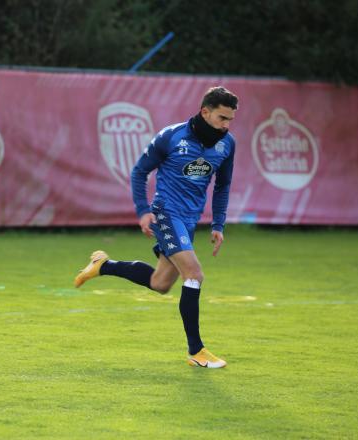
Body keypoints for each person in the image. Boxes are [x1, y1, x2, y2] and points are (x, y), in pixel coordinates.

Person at [74, 86, 238, 369]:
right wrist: (143, 211)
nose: (226, 125)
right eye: (222, 118)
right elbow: (139, 171)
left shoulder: (227, 144)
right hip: (166, 212)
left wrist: (218, 223)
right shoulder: (171, 136)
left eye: (230, 120)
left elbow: (223, 185)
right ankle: (196, 351)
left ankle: (103, 265)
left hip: (188, 220)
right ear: (205, 112)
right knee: (194, 274)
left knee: (159, 284)